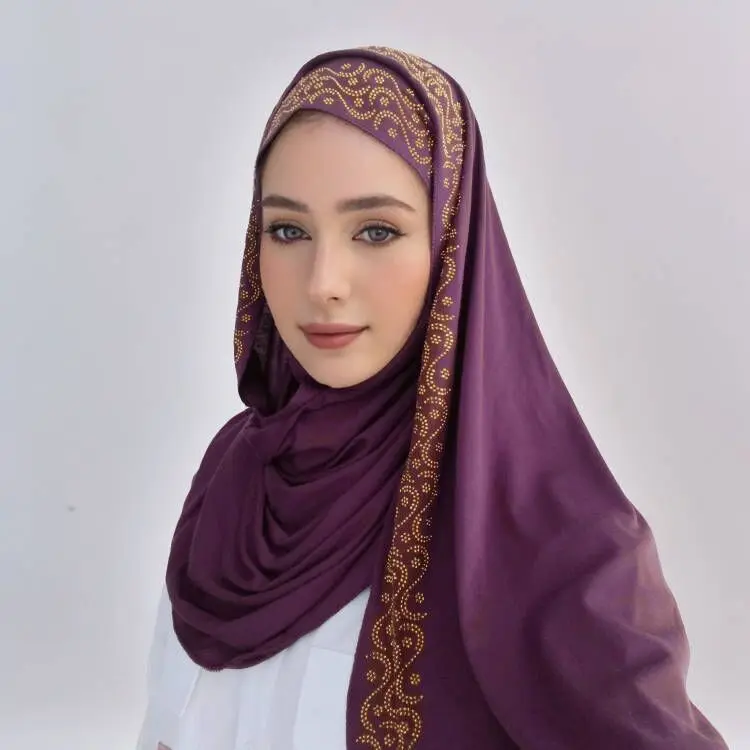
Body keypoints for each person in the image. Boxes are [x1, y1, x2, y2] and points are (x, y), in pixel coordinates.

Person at [136, 47, 728, 750]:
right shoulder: (237, 473)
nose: (322, 282)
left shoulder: (562, 539)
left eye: (376, 231)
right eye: (288, 230)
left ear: (452, 246)